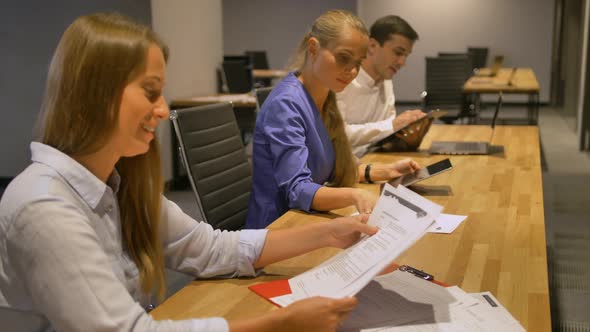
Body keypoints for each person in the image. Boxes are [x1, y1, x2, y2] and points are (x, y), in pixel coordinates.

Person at [0, 13, 380, 332]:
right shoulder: (45, 207)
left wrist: (330, 232)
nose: (164, 110)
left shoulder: (117, 185)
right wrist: (278, 325)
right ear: (96, 94)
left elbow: (213, 249)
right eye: (151, 93)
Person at [246, 10, 421, 229]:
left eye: (358, 62)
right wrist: (354, 195)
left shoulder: (325, 95)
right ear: (313, 48)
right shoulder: (286, 104)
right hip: (276, 229)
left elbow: (332, 168)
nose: (352, 71)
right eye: (343, 58)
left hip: (305, 219)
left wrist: (388, 171)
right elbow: (298, 190)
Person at [337, 15, 426, 157]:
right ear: (372, 46)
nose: (402, 62)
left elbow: (386, 134)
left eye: (406, 56)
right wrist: (392, 126)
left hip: (375, 159)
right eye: (398, 53)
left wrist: (408, 137)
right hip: (345, 169)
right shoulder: (342, 80)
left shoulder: (386, 80)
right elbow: (338, 135)